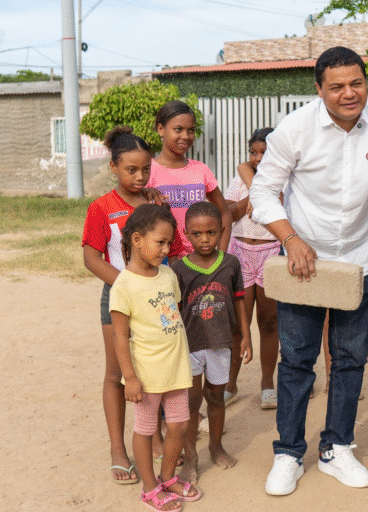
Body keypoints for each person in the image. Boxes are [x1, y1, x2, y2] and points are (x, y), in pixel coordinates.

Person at [250, 46, 368, 496]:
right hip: (305, 264)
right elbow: (263, 193)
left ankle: (337, 447)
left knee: (350, 360)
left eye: (357, 83)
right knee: (298, 361)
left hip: (360, 262)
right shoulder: (295, 129)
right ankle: (288, 453)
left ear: (367, 82)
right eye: (337, 86)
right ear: (319, 88)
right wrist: (291, 239)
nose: (350, 93)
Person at [82, 126, 182, 484]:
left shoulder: (156, 204)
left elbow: (177, 248)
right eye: (130, 170)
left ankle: (153, 438)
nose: (139, 177)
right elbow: (91, 259)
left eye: (145, 170)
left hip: (160, 300)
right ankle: (117, 449)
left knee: (155, 372)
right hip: (120, 299)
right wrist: (127, 286)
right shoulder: (101, 208)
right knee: (118, 374)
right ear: (114, 167)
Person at [109, 204, 200, 511]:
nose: (166, 248)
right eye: (160, 242)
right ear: (137, 240)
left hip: (175, 367)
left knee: (179, 424)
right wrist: (130, 378)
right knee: (146, 430)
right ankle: (150, 489)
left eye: (168, 243)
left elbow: (171, 314)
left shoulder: (167, 274)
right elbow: (120, 336)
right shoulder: (123, 286)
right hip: (146, 374)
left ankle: (167, 477)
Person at [171, 201, 252, 478]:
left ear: (221, 231)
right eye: (197, 234)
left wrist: (245, 335)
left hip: (221, 343)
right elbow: (174, 310)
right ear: (185, 233)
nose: (204, 239)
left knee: (216, 398)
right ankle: (191, 455)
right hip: (190, 346)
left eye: (211, 233)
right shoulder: (179, 269)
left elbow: (240, 300)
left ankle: (216, 447)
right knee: (191, 403)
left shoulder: (231, 263)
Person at [224, 128, 281, 410]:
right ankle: (231, 384)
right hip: (241, 254)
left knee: (269, 322)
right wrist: (254, 197)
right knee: (238, 325)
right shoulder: (239, 180)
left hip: (271, 252)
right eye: (253, 153)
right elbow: (231, 213)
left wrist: (266, 193)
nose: (258, 158)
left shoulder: (285, 182)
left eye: (265, 152)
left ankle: (267, 382)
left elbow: (285, 210)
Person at [149, 100, 232, 255]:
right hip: (163, 260)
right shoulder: (148, 171)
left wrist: (221, 255)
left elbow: (225, 213)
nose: (186, 136)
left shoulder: (201, 170)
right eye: (178, 129)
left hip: (199, 260)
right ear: (161, 129)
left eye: (191, 130)